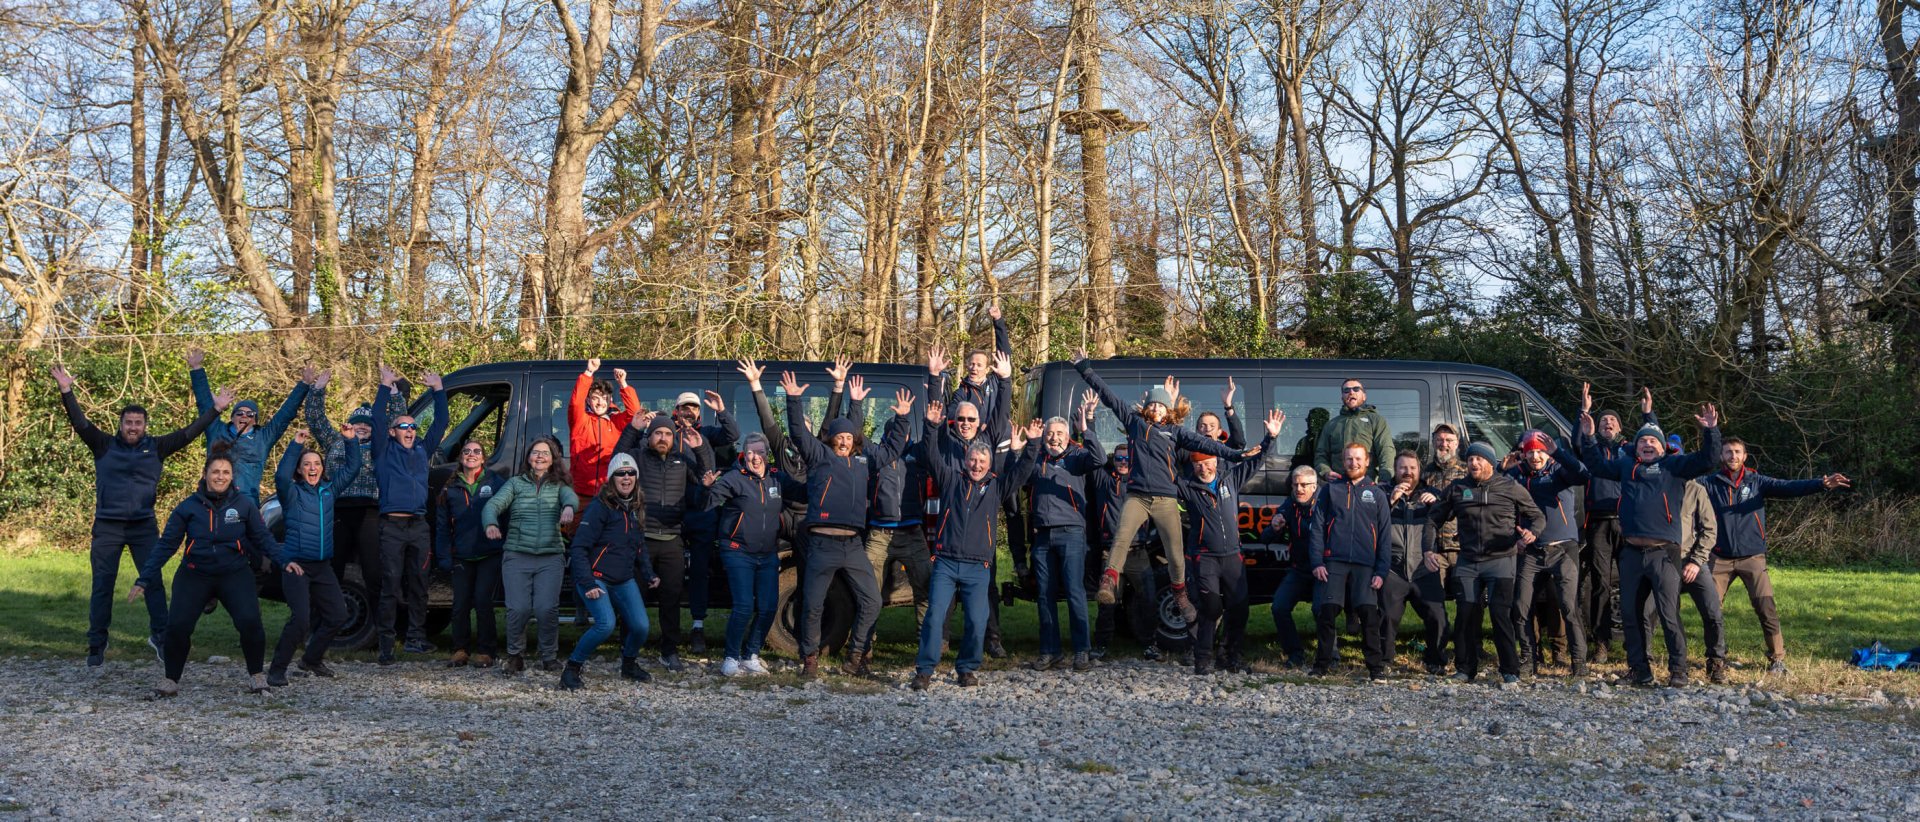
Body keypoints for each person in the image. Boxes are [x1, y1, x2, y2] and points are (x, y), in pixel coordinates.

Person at [54, 363, 222, 668]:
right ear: (120, 424)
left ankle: (160, 637)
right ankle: (96, 645)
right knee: (102, 586)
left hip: (143, 527)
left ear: (145, 425)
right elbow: (79, 423)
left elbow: (190, 433)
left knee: (153, 582)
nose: (133, 427)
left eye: (138, 423)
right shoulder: (103, 444)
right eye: (128, 422)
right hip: (107, 527)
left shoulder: (157, 447)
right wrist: (67, 390)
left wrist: (216, 409)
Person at [1070, 349, 1243, 622]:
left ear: (1168, 411)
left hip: (1164, 499)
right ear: (1146, 408)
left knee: (1175, 552)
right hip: (1137, 496)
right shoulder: (1134, 424)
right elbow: (1109, 397)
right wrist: (1085, 368)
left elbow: (1206, 444)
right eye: (1152, 405)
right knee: (1122, 538)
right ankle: (1109, 580)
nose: (1156, 409)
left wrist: (1235, 454)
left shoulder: (1174, 432)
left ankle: (1181, 594)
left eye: (1161, 406)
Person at [1576, 382, 1721, 687]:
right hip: (1631, 554)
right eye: (1643, 441)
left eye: (1653, 441)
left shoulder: (1675, 466)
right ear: (1636, 447)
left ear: (1662, 446)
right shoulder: (1626, 465)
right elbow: (1596, 465)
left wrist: (1711, 432)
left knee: (1669, 615)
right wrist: (1588, 435)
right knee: (1631, 615)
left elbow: (1708, 460)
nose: (1647, 445)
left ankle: (1678, 671)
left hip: (1664, 554)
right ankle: (1639, 670)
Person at [783, 373, 913, 677]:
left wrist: (903, 419)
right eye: (839, 436)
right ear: (831, 439)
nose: (844, 440)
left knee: (871, 601)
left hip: (853, 545)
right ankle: (810, 660)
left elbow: (892, 451)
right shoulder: (819, 457)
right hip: (822, 544)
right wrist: (793, 399)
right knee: (813, 604)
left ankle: (855, 657)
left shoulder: (864, 462)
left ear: (854, 441)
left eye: (849, 437)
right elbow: (799, 434)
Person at [130, 449, 276, 697]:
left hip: (234, 573)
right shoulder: (188, 507)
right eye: (215, 472)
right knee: (177, 627)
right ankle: (171, 680)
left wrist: (286, 561)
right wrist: (144, 578)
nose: (220, 477)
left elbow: (263, 538)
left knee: (250, 622)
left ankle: (256, 676)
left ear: (232, 477)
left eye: (226, 472)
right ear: (205, 474)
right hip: (195, 573)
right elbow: (166, 545)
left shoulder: (244, 505)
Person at [912, 416, 1039, 689]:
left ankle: (967, 668)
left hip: (978, 566)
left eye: (982, 461)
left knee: (977, 619)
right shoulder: (949, 479)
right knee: (934, 615)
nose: (977, 465)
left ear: (989, 465)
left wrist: (1032, 444)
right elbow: (931, 453)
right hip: (946, 562)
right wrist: (932, 426)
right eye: (973, 460)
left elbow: (1022, 472)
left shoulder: (997, 487)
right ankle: (924, 670)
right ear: (966, 461)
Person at [1704, 438, 1850, 676]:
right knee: (1711, 610)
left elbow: (1789, 487)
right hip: (1719, 558)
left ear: (1745, 456)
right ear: (1721, 456)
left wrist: (1821, 484)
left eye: (1737, 452)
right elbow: (1682, 484)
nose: (1733, 456)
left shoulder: (1757, 481)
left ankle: (1777, 659)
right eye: (1728, 452)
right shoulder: (1709, 483)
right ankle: (1717, 659)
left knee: (1766, 607)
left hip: (1753, 557)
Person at [303, 369, 406, 657]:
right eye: (357, 424)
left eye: (367, 425)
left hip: (370, 512)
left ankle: (384, 638)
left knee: (375, 575)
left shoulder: (380, 447)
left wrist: (394, 392)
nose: (361, 428)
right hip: (337, 511)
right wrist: (318, 389)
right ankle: (317, 631)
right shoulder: (336, 442)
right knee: (328, 572)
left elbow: (399, 421)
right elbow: (315, 419)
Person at [1424, 441, 1544, 684]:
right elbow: (1432, 520)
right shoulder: (1457, 488)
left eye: (1479, 459)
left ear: (1491, 462)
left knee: (1500, 615)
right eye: (1469, 459)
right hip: (1468, 560)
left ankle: (1509, 670)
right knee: (1465, 614)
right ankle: (1465, 669)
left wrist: (1532, 534)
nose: (1473, 463)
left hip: (1501, 560)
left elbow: (1537, 516)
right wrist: (1427, 550)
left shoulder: (1509, 487)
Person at [1178, 410, 1282, 675]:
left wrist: (1271, 437)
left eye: (1208, 461)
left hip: (1233, 555)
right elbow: (1159, 471)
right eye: (1198, 463)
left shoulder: (1230, 478)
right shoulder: (1187, 487)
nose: (1204, 467)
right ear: (1193, 464)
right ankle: (1202, 658)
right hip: (1205, 557)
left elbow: (1257, 460)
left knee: (1239, 608)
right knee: (1211, 607)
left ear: (1216, 460)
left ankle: (1228, 656)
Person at [930, 342, 1015, 658]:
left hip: (981, 530)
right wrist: (935, 377)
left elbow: (1002, 411)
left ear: (979, 423)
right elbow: (934, 416)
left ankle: (992, 639)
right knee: (946, 592)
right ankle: (940, 640)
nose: (965, 424)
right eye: (961, 420)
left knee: (987, 587)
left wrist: (1005, 381)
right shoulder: (947, 442)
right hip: (950, 527)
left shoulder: (987, 440)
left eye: (970, 420)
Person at [841, 373, 937, 649]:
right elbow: (856, 437)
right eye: (894, 431)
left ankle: (927, 645)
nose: (899, 436)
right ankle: (863, 647)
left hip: (912, 532)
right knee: (868, 592)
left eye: (903, 431)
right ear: (886, 433)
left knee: (926, 588)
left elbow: (932, 439)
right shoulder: (874, 455)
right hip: (879, 533)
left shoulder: (918, 455)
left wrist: (930, 408)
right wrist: (856, 403)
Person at [614, 410, 714, 670]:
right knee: (634, 596)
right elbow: (618, 460)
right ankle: (629, 649)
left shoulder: (682, 461)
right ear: (649, 437)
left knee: (671, 598)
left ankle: (668, 651)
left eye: (668, 434)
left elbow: (705, 476)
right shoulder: (637, 458)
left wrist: (700, 448)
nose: (662, 437)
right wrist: (632, 430)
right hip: (640, 540)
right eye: (657, 433)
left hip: (672, 540)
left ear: (673, 438)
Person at [265, 429, 362, 686]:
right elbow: (280, 474)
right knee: (301, 620)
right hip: (296, 564)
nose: (312, 468)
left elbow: (353, 467)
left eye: (316, 464)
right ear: (299, 470)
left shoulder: (329, 490)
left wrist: (351, 440)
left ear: (322, 468)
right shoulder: (291, 492)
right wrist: (296, 444)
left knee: (338, 616)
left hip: (322, 566)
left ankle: (311, 659)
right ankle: (276, 671)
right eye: (306, 464)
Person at [703, 433, 804, 676]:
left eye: (760, 452)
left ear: (767, 455)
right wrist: (706, 488)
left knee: (769, 607)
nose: (755, 457)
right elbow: (707, 503)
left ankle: (751, 655)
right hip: (738, 552)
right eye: (750, 453)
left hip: (767, 553)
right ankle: (730, 656)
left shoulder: (777, 479)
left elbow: (803, 492)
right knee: (744, 606)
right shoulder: (734, 479)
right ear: (744, 454)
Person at [370, 366, 448, 664]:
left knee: (419, 583)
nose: (411, 430)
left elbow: (441, 422)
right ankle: (387, 645)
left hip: (418, 526)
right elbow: (377, 420)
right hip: (392, 526)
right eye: (404, 427)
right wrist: (384, 386)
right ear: (392, 432)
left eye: (413, 427)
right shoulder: (382, 451)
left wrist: (438, 390)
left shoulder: (422, 450)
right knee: (391, 584)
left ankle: (416, 638)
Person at [561, 453, 659, 689]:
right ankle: (572, 669)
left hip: (623, 579)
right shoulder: (599, 507)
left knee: (640, 626)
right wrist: (588, 583)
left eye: (630, 473)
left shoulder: (636, 507)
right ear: (611, 479)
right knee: (605, 624)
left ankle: (629, 665)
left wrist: (649, 574)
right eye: (620, 474)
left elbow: (639, 546)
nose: (626, 478)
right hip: (596, 578)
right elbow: (579, 547)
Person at [483, 436, 580, 674]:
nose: (540, 456)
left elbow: (571, 499)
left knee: (547, 608)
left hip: (550, 556)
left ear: (552, 460)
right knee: (519, 608)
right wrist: (490, 524)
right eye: (535, 452)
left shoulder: (560, 485)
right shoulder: (515, 484)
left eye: (545, 453)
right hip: (517, 554)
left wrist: (568, 508)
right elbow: (492, 506)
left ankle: (549, 656)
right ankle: (515, 655)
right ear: (528, 457)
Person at [1023, 409, 1107, 672]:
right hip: (1043, 535)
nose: (1054, 438)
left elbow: (1100, 458)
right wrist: (1023, 448)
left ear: (1067, 436)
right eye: (1050, 434)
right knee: (1045, 595)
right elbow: (1016, 475)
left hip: (1071, 532)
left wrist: (1087, 431)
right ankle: (1050, 651)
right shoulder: (1037, 459)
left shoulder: (1077, 456)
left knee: (1074, 593)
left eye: (1059, 433)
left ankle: (1082, 650)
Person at [1504, 430, 1591, 677]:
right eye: (1530, 451)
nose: (1535, 456)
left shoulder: (1557, 471)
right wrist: (1502, 471)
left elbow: (1583, 474)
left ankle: (1578, 661)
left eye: (1539, 451)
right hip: (1531, 550)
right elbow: (1496, 503)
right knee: (1521, 607)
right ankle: (1528, 659)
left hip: (1563, 548)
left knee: (1568, 605)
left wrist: (1558, 453)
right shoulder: (1517, 476)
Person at [1579, 391, 1656, 664]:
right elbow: (1582, 440)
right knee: (1600, 583)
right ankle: (1600, 643)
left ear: (1620, 427)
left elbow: (1653, 442)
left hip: (1627, 522)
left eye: (1612, 420)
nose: (1607, 423)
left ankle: (1636, 642)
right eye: (1602, 421)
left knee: (1632, 583)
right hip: (1598, 522)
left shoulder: (1629, 449)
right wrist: (1584, 410)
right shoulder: (1592, 450)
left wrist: (1648, 414)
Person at [1305, 443, 1392, 680]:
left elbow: (1384, 535)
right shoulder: (1330, 490)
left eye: (1358, 459)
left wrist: (1381, 571)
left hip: (1366, 565)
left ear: (1367, 461)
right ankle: (1321, 666)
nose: (1353, 463)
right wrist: (1317, 562)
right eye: (1348, 459)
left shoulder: (1377, 494)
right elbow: (1316, 530)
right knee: (1327, 612)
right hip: (1333, 562)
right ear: (1342, 462)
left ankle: (1375, 668)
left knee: (1369, 615)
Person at [184, 349, 310, 503]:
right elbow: (204, 404)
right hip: (214, 498)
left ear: (255, 420)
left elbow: (285, 414)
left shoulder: (263, 438)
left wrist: (304, 385)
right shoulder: (217, 431)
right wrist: (196, 369)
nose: (244, 416)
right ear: (232, 417)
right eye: (240, 413)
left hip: (246, 501)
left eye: (250, 414)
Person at [671, 384, 739, 654]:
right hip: (673, 515)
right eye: (684, 407)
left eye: (694, 408)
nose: (689, 411)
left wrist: (721, 410)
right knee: (672, 574)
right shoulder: (667, 434)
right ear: (676, 410)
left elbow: (733, 434)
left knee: (700, 571)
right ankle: (671, 628)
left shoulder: (708, 434)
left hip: (703, 512)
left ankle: (697, 626)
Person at [437, 440, 506, 668]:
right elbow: (442, 526)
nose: (471, 454)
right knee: (460, 604)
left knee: (483, 601)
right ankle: (460, 649)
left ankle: (487, 651)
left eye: (477, 451)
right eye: (467, 451)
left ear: (484, 458)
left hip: (489, 553)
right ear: (461, 458)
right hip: (461, 554)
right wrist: (444, 556)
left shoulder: (496, 483)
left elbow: (505, 515)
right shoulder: (450, 488)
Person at [1655, 469, 1726, 685]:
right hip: (1663, 560)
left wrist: (1696, 561)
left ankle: (1716, 661)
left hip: (1691, 559)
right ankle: (1661, 665)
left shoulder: (1696, 489)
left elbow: (1709, 529)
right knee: (1659, 614)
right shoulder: (1654, 487)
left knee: (1712, 612)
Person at [1379, 452, 1448, 676]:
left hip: (1423, 567)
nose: (1408, 472)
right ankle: (1385, 661)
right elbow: (1370, 521)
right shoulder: (1382, 493)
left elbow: (1450, 518)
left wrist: (1437, 504)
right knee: (1387, 617)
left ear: (1419, 471)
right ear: (1395, 470)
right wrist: (1390, 502)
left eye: (1412, 468)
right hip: (1393, 568)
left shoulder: (1433, 493)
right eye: (1402, 468)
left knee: (1437, 616)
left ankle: (1435, 660)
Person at [1260, 465, 1320, 668]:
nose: (1299, 489)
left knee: (1322, 610)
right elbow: (1266, 537)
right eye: (1296, 485)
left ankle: (1329, 656)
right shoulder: (1290, 504)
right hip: (1299, 569)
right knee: (1279, 607)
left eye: (1304, 485)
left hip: (1323, 569)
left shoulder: (1326, 504)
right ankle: (1295, 654)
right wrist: (1275, 527)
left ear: (1314, 486)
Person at [568, 358, 641, 498]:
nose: (600, 402)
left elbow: (635, 412)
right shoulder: (581, 420)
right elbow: (576, 403)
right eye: (595, 398)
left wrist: (623, 384)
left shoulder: (616, 421)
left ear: (610, 400)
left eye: (604, 398)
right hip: (580, 493)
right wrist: (589, 372)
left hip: (610, 493)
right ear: (588, 400)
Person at [1313, 379, 1395, 484]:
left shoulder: (1376, 420)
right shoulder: (1331, 425)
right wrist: (1325, 472)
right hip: (1338, 485)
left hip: (1368, 484)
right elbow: (1321, 454)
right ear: (1342, 397)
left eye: (1356, 389)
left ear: (1364, 396)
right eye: (1346, 390)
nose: (1351, 392)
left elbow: (1386, 450)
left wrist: (1385, 478)